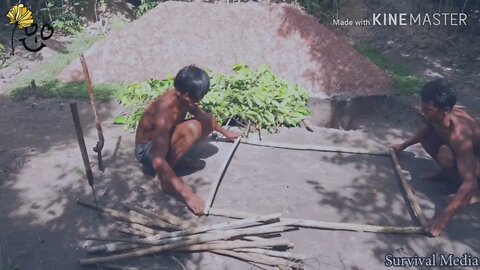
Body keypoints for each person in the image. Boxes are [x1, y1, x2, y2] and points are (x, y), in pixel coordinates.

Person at [134, 65, 240, 215]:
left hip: (161, 143)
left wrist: (225, 132)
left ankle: (173, 166)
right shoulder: (164, 113)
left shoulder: (187, 99)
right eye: (193, 98)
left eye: (199, 98)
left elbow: (205, 117)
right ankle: (164, 180)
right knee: (192, 128)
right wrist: (188, 195)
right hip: (146, 151)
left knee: (206, 120)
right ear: (179, 92)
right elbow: (158, 160)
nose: (196, 102)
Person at [389, 78, 480, 237]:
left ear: (445, 110)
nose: (423, 112)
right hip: (466, 157)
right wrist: (402, 146)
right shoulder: (436, 116)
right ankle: (447, 175)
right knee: (426, 132)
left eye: (427, 109)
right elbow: (424, 130)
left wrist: (441, 220)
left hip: (475, 164)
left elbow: (469, 181)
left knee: (447, 155)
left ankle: (475, 194)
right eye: (423, 107)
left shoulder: (459, 134)